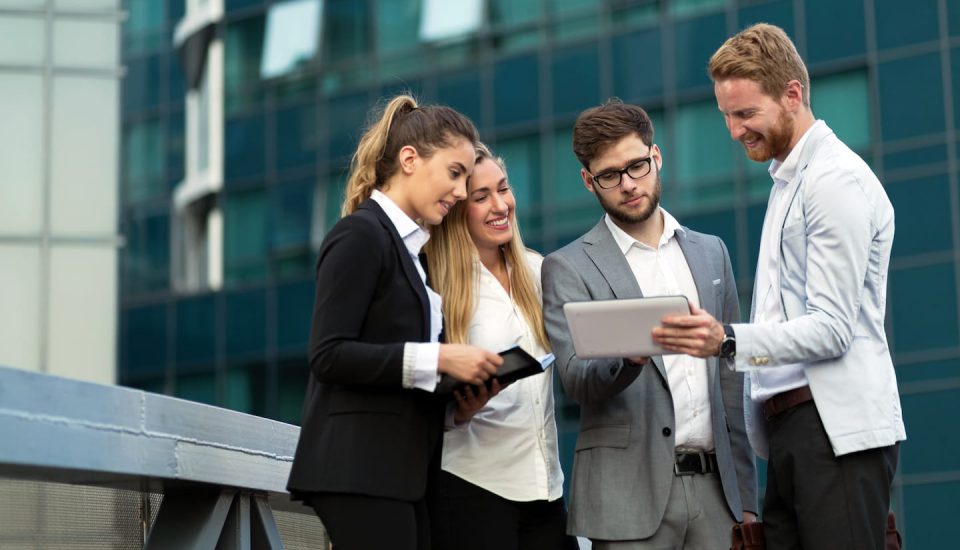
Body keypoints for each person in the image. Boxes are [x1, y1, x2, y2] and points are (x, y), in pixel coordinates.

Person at [653, 23, 906, 549]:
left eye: (745, 113)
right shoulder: (790, 180)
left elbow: (834, 329)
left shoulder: (833, 180)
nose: (733, 129)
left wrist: (727, 340)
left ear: (793, 94)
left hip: (832, 432)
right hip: (796, 431)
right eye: (726, 115)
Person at [286, 95, 505, 550]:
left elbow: (391, 372)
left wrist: (454, 409)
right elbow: (328, 355)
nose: (462, 192)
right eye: (455, 173)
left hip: (402, 474)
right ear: (410, 160)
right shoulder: (359, 235)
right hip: (359, 471)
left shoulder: (413, 256)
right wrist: (441, 356)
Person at [541, 99, 758, 549]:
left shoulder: (710, 252)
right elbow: (576, 380)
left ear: (656, 157)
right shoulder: (568, 267)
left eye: (637, 166)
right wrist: (629, 355)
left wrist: (747, 498)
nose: (628, 185)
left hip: (717, 494)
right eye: (609, 175)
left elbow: (732, 380)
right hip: (626, 497)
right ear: (589, 181)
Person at [424, 144, 579, 550]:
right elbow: (415, 388)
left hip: (546, 490)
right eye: (481, 197)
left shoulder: (540, 269)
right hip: (472, 489)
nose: (500, 205)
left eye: (504, 189)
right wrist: (460, 410)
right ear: (459, 209)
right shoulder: (437, 287)